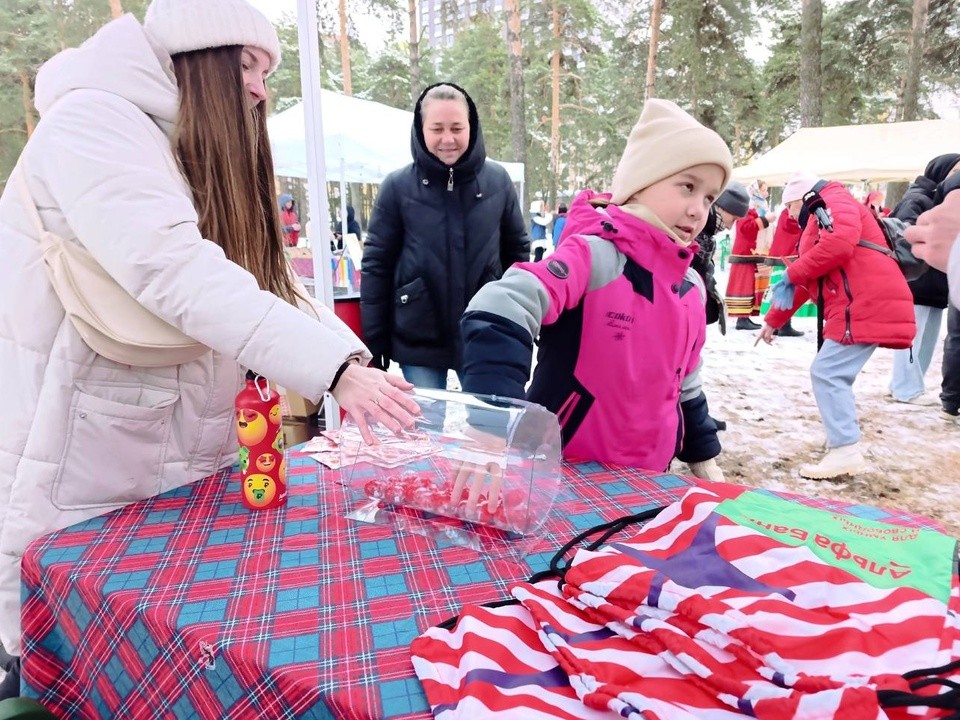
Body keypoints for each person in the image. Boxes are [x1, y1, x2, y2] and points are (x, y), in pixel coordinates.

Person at [0, 0, 419, 697]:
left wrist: (357, 364)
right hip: (86, 464)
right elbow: (172, 267)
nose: (261, 88)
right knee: (68, 672)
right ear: (202, 62)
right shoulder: (94, 122)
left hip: (172, 460)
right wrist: (334, 373)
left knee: (155, 663)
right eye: (249, 66)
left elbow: (264, 283)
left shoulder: (180, 143)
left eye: (268, 71)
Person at [459, 98, 732, 481]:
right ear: (639, 184)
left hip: (650, 477)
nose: (697, 209)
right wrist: (492, 419)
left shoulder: (689, 287)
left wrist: (704, 458)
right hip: (563, 472)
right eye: (687, 186)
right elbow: (501, 305)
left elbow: (686, 383)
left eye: (709, 197)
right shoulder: (594, 257)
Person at [361, 82, 529, 390]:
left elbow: (517, 254)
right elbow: (377, 264)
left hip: (483, 330)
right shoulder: (398, 187)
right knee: (429, 428)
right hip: (419, 334)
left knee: (485, 429)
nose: (448, 139)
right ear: (421, 129)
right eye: (437, 128)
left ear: (471, 127)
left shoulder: (497, 181)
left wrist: (516, 319)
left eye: (456, 127)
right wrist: (375, 339)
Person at [759, 173, 915, 480]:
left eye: (789, 207)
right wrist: (774, 320)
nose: (790, 216)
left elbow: (839, 245)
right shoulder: (821, 209)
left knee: (828, 372)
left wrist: (793, 274)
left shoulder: (831, 199)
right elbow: (809, 277)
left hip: (863, 301)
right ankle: (841, 443)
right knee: (831, 372)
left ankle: (845, 449)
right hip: (859, 301)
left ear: (799, 198)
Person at [887, 153, 960, 404]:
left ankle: (908, 384)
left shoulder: (943, 199)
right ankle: (905, 388)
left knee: (927, 339)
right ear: (941, 172)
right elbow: (903, 234)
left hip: (936, 283)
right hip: (917, 281)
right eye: (955, 171)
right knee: (912, 338)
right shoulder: (919, 197)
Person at [724, 191, 770, 330]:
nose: (766, 193)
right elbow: (746, 228)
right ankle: (741, 318)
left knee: (749, 284)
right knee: (743, 284)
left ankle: (745, 316)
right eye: (763, 189)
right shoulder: (746, 211)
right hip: (744, 254)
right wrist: (765, 220)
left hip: (748, 254)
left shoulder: (751, 211)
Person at [763, 206, 805, 337]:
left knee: (782, 290)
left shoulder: (787, 211)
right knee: (786, 291)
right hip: (788, 255)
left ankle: (779, 324)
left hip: (783, 254)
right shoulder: (790, 212)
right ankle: (783, 325)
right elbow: (794, 225)